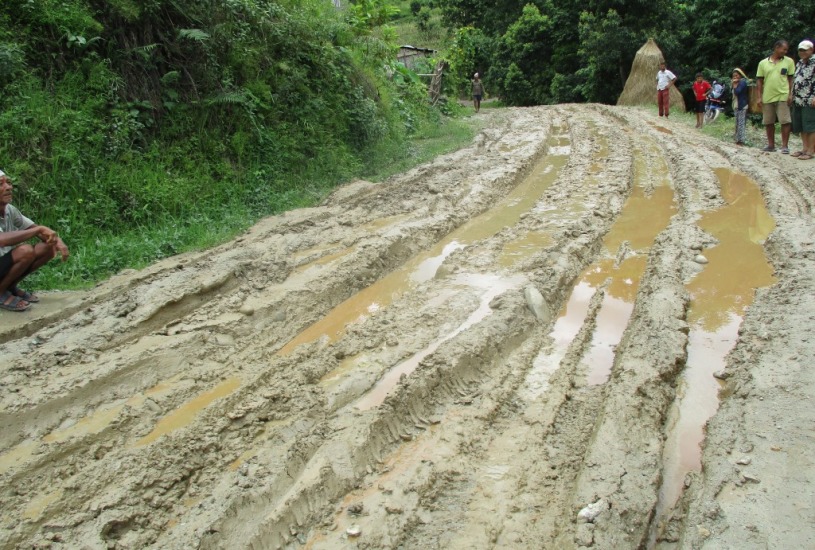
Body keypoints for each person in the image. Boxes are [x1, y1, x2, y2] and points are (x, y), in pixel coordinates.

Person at [0, 169, 69, 312]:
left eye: (8, 182)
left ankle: (9, 287)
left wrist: (57, 241)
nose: (8, 187)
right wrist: (38, 230)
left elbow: (36, 229)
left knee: (47, 248)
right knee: (25, 251)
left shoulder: (9, 210)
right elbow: (2, 240)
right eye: (1, 184)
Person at [756, 40, 796, 153]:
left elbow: (791, 79)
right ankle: (771, 145)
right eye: (784, 49)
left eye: (786, 49)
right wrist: (759, 97)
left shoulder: (789, 62)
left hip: (783, 95)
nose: (785, 51)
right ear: (777, 48)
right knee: (768, 122)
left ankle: (784, 146)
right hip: (767, 96)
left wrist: (790, 93)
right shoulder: (763, 63)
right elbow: (759, 81)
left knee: (785, 121)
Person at [791, 39, 815, 160]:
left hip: (809, 98)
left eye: (805, 50)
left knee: (810, 126)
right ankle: (804, 148)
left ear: (811, 50)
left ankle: (810, 151)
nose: (802, 52)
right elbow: (796, 80)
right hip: (798, 99)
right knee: (801, 125)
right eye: (800, 50)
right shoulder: (800, 63)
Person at [731, 68, 750, 145]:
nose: (735, 77)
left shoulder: (742, 82)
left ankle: (741, 140)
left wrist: (735, 85)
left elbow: (738, 92)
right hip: (736, 105)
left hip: (742, 105)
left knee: (741, 124)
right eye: (733, 76)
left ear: (740, 75)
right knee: (737, 123)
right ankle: (737, 139)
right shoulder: (736, 83)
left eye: (736, 75)